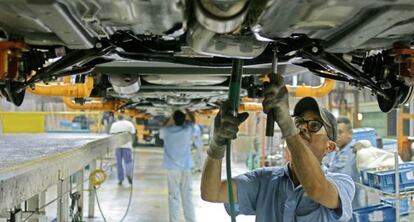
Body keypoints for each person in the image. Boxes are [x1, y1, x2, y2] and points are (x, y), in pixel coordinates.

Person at [200, 73, 354, 221]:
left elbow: (317, 189)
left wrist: (288, 125)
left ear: (330, 147)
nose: (303, 128)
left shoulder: (342, 183)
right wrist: (217, 146)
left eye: (314, 125)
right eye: (299, 122)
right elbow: (211, 192)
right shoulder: (265, 180)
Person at [159, 110, 197, 222]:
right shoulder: (188, 130)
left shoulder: (166, 131)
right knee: (187, 196)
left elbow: (163, 126)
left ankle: (174, 220)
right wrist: (188, 111)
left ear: (173, 119)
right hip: (186, 168)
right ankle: (191, 220)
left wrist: (169, 116)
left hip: (172, 169)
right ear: (184, 120)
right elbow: (193, 122)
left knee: (173, 196)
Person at [322, 116, 362, 209]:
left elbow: (344, 177)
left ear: (350, 134)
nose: (337, 136)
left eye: (340, 132)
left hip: (350, 206)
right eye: (335, 133)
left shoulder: (355, 151)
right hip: (336, 203)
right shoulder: (334, 151)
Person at [109, 114, 136, 185]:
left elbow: (111, 135)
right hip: (127, 146)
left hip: (118, 146)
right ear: (124, 117)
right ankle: (129, 174)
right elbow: (133, 133)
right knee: (128, 162)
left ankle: (120, 179)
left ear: (117, 117)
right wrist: (132, 143)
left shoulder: (114, 125)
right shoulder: (129, 124)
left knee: (119, 163)